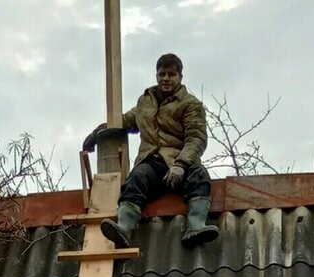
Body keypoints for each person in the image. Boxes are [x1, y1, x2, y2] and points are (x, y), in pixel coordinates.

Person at [83, 53, 219, 249]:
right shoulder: (145, 101)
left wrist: (180, 165)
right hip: (152, 160)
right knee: (136, 178)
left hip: (179, 159)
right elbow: (124, 121)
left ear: (180, 77)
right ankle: (124, 228)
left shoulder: (190, 104)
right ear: (156, 75)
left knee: (199, 176)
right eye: (162, 74)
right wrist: (97, 132)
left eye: (171, 74)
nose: (166, 78)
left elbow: (196, 138)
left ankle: (196, 226)